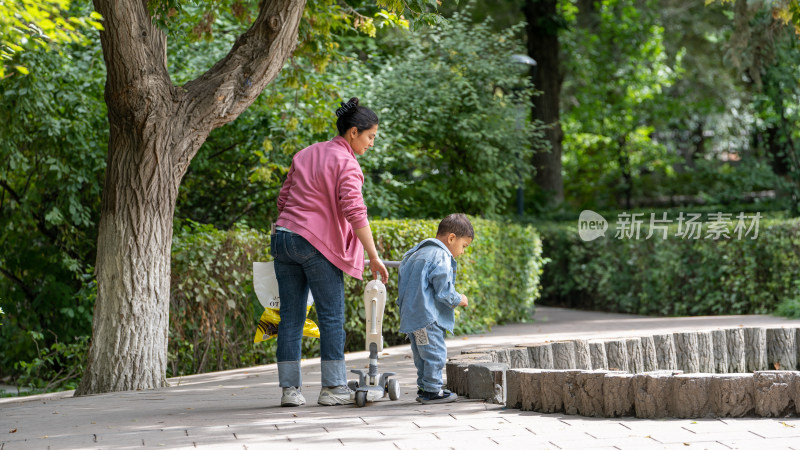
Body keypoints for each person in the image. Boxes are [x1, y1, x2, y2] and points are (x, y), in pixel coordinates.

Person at [271, 97, 389, 407]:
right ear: (353, 132)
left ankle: (290, 392)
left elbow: (283, 200)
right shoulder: (346, 162)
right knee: (331, 317)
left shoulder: (305, 153)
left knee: (290, 319)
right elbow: (354, 210)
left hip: (284, 239)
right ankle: (334, 388)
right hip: (315, 243)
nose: (371, 143)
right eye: (370, 136)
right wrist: (373, 255)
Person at [396, 213, 474, 404]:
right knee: (435, 353)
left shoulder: (414, 253)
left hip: (413, 319)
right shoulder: (440, 255)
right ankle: (432, 390)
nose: (462, 252)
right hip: (428, 318)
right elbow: (444, 291)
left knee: (422, 354)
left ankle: (424, 387)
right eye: (463, 246)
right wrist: (459, 299)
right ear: (452, 238)